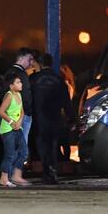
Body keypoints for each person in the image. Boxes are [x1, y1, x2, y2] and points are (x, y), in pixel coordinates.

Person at [30, 54, 74, 184]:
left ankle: (46, 171)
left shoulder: (33, 79)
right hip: (55, 118)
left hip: (39, 118)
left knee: (42, 145)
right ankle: (53, 170)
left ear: (40, 64)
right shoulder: (59, 80)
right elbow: (67, 103)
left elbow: (27, 100)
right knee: (53, 145)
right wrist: (72, 119)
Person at [0, 73, 30, 187]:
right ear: (11, 86)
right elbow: (1, 112)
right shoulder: (9, 96)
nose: (20, 84)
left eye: (20, 82)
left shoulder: (19, 95)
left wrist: (20, 122)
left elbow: (22, 111)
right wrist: (11, 122)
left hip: (18, 127)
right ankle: (4, 178)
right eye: (18, 82)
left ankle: (16, 174)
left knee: (24, 152)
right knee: (10, 154)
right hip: (7, 129)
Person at [4, 48, 34, 148]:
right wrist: (28, 111)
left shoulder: (9, 72)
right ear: (22, 58)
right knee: (21, 146)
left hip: (12, 113)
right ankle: (18, 164)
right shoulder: (21, 74)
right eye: (29, 59)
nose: (31, 63)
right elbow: (25, 95)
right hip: (21, 114)